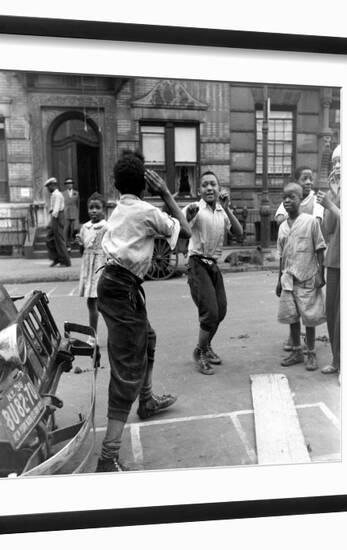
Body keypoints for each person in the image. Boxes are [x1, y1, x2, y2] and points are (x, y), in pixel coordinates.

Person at [95, 150, 191, 473]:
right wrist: (165, 192)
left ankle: (146, 401)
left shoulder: (118, 208)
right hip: (123, 288)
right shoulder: (148, 211)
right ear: (146, 186)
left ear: (116, 184)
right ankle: (108, 457)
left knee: (147, 338)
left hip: (112, 284)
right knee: (126, 369)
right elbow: (185, 232)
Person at [182, 171, 243, 375]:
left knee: (221, 310)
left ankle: (206, 346)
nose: (209, 188)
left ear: (219, 189)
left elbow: (239, 233)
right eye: (205, 185)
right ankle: (199, 352)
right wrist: (187, 218)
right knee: (210, 312)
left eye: (213, 185)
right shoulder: (194, 209)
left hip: (213, 265)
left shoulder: (220, 210)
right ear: (199, 190)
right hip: (197, 263)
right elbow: (180, 231)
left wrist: (227, 209)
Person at [276, 183, 326, 371]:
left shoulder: (311, 222)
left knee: (310, 318)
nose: (287, 200)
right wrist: (278, 282)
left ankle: (311, 352)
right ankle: (297, 351)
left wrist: (321, 274)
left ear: (301, 199)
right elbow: (281, 256)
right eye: (285, 197)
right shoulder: (282, 227)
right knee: (292, 316)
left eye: (292, 197)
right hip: (288, 280)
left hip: (307, 277)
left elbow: (320, 249)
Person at [317, 144, 341, 377]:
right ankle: (336, 359)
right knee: (332, 312)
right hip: (334, 260)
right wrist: (332, 198)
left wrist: (332, 205)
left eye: (341, 161)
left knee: (346, 314)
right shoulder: (337, 190)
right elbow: (328, 229)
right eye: (334, 162)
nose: (337, 166)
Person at [76, 192, 107, 340]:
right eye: (91, 208)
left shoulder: (106, 227)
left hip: (100, 265)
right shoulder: (85, 227)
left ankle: (104, 335)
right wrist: (80, 243)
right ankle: (93, 336)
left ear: (104, 210)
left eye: (97, 207)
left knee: (101, 302)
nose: (94, 211)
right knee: (91, 302)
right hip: (88, 266)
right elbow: (83, 247)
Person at [44, 177, 71, 267]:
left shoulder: (57, 195)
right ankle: (56, 258)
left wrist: (51, 222)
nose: (48, 189)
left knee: (59, 240)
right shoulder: (54, 195)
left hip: (57, 217)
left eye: (49, 186)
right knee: (49, 238)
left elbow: (55, 210)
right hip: (55, 218)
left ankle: (65, 261)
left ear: (53, 185)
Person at [62, 177, 80, 250]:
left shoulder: (76, 193)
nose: (69, 185)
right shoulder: (62, 193)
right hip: (66, 213)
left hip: (74, 213)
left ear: (72, 184)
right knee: (66, 229)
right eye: (68, 183)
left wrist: (78, 214)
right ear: (66, 185)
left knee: (74, 229)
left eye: (71, 183)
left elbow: (78, 204)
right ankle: (67, 245)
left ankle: (73, 243)